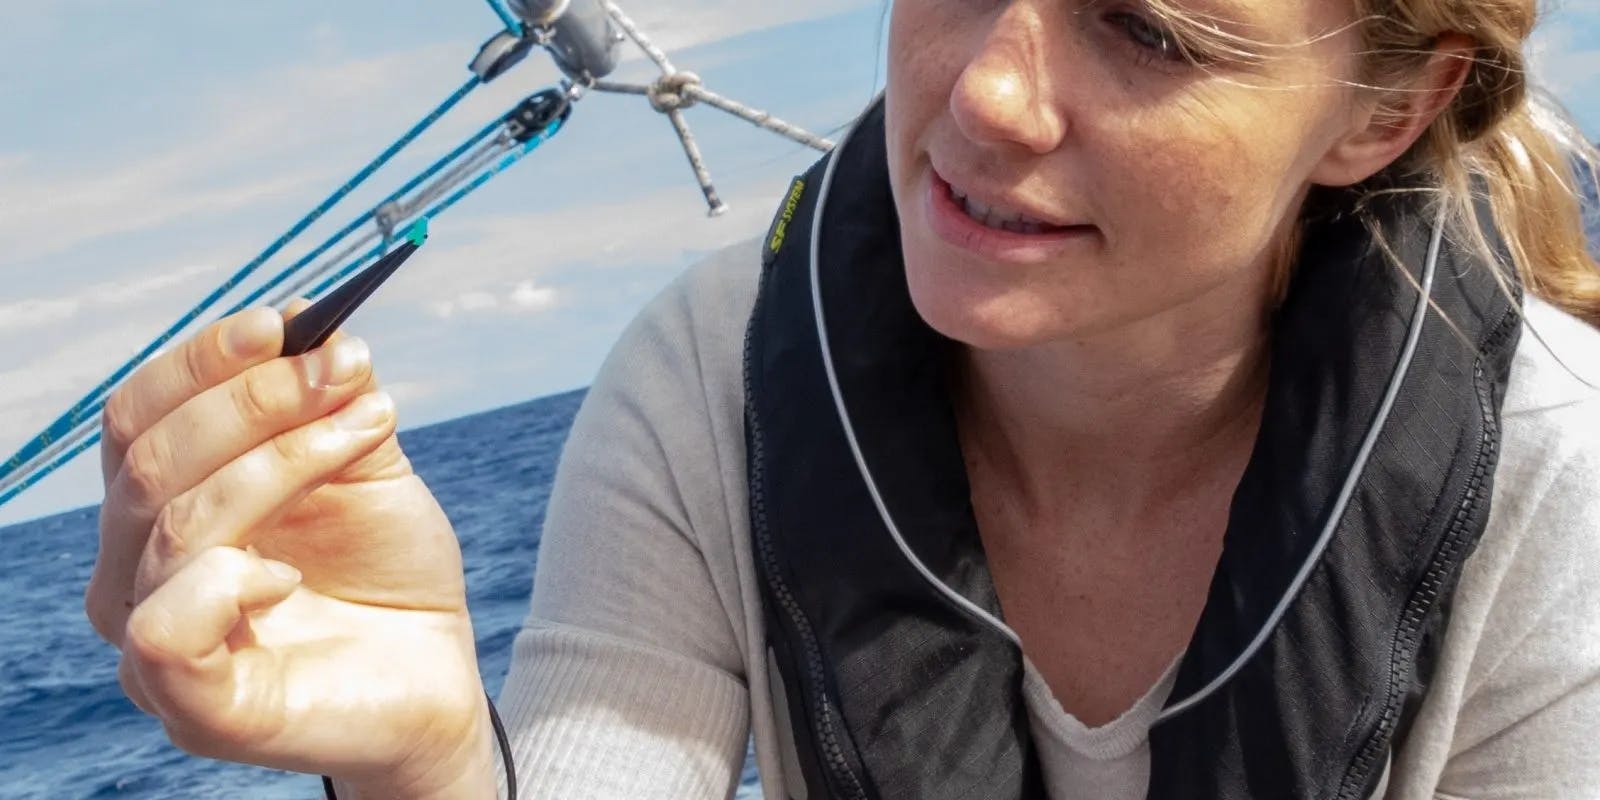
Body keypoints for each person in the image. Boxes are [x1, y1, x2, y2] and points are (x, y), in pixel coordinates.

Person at [85, 0, 1600, 797]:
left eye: (1147, 30)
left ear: (1384, 110)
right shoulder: (706, 377)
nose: (988, 89)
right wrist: (418, 765)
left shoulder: (1556, 479)